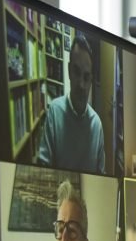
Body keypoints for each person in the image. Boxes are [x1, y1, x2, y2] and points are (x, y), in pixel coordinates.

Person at [37, 32, 105, 174]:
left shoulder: (97, 125)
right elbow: (42, 169)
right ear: (68, 71)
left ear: (91, 80)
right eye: (76, 72)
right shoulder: (54, 113)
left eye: (86, 77)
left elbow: (102, 176)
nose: (81, 84)